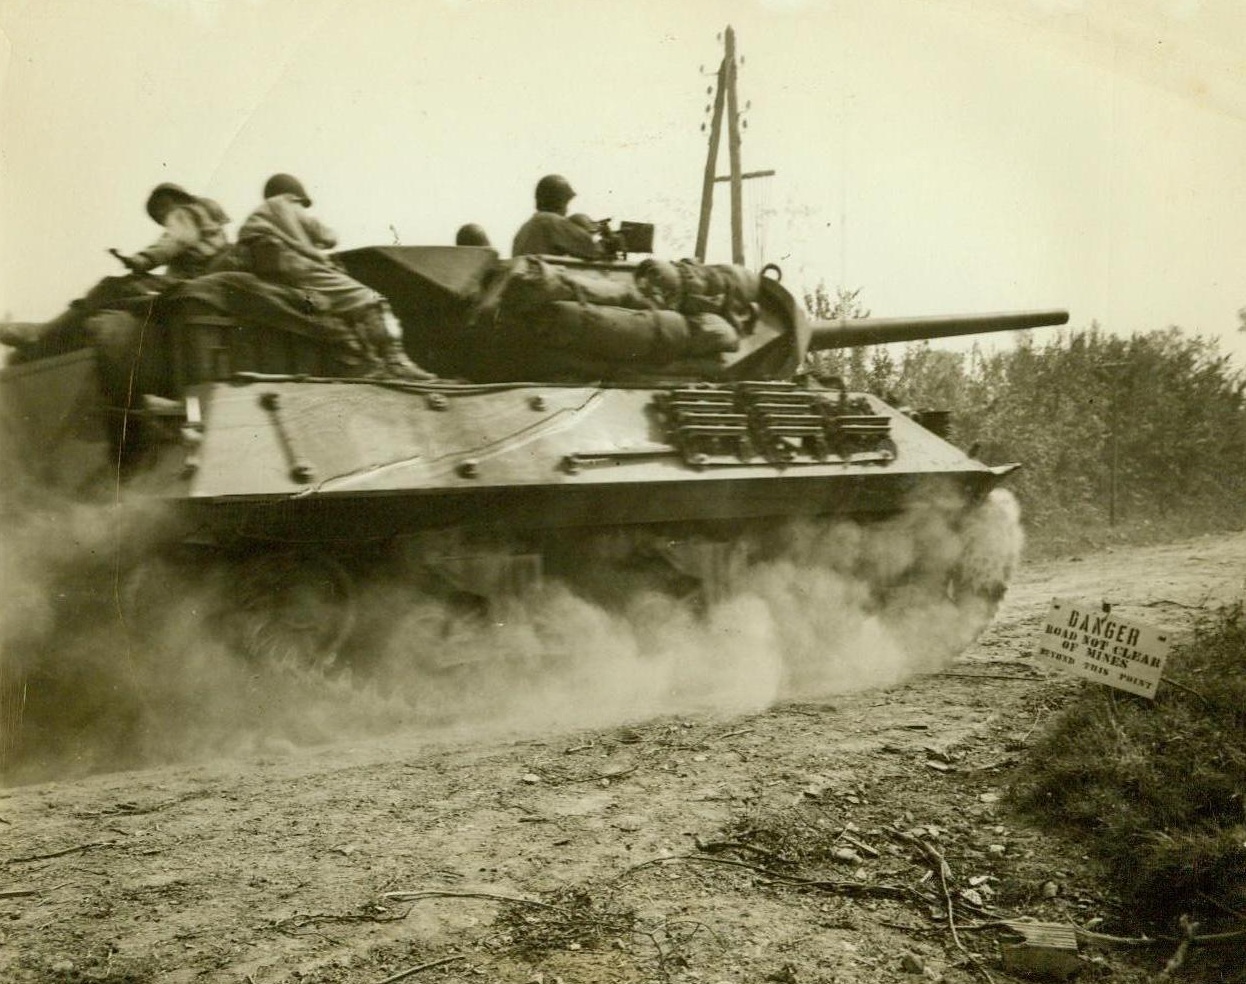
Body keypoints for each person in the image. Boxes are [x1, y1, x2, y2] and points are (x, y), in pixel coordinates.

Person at [235, 173, 433, 380]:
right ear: (295, 196)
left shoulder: (257, 216)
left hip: (274, 275)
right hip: (296, 267)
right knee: (370, 300)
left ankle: (363, 364)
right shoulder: (287, 203)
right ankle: (397, 361)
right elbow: (327, 236)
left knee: (332, 312)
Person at [0, 182, 232, 356]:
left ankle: (45, 333)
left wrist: (142, 260)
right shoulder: (210, 221)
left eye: (161, 209)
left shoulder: (183, 212)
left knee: (110, 286)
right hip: (202, 282)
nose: (163, 217)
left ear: (174, 200)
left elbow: (175, 241)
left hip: (191, 282)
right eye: (159, 215)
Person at [511, 174, 603, 259]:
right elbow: (593, 250)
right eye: (566, 202)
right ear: (559, 201)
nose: (567, 209)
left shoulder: (526, 227)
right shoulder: (551, 221)